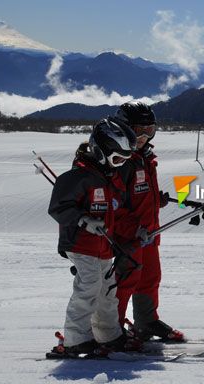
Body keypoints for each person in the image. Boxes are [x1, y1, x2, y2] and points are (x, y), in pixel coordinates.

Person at [48, 118, 138, 354]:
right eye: (117, 159)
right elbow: (58, 208)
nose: (119, 165)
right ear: (101, 151)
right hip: (80, 243)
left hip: (103, 246)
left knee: (107, 290)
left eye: (124, 161)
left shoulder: (108, 178)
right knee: (88, 287)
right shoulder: (76, 177)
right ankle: (76, 340)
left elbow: (115, 209)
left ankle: (108, 335)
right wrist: (82, 220)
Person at [113, 101, 185, 342]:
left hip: (150, 233)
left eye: (149, 130)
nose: (143, 136)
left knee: (150, 278)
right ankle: (112, 328)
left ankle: (147, 321)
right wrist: (133, 229)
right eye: (137, 130)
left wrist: (157, 201)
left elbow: (137, 193)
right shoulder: (120, 160)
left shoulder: (145, 158)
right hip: (129, 236)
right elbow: (113, 205)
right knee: (124, 282)